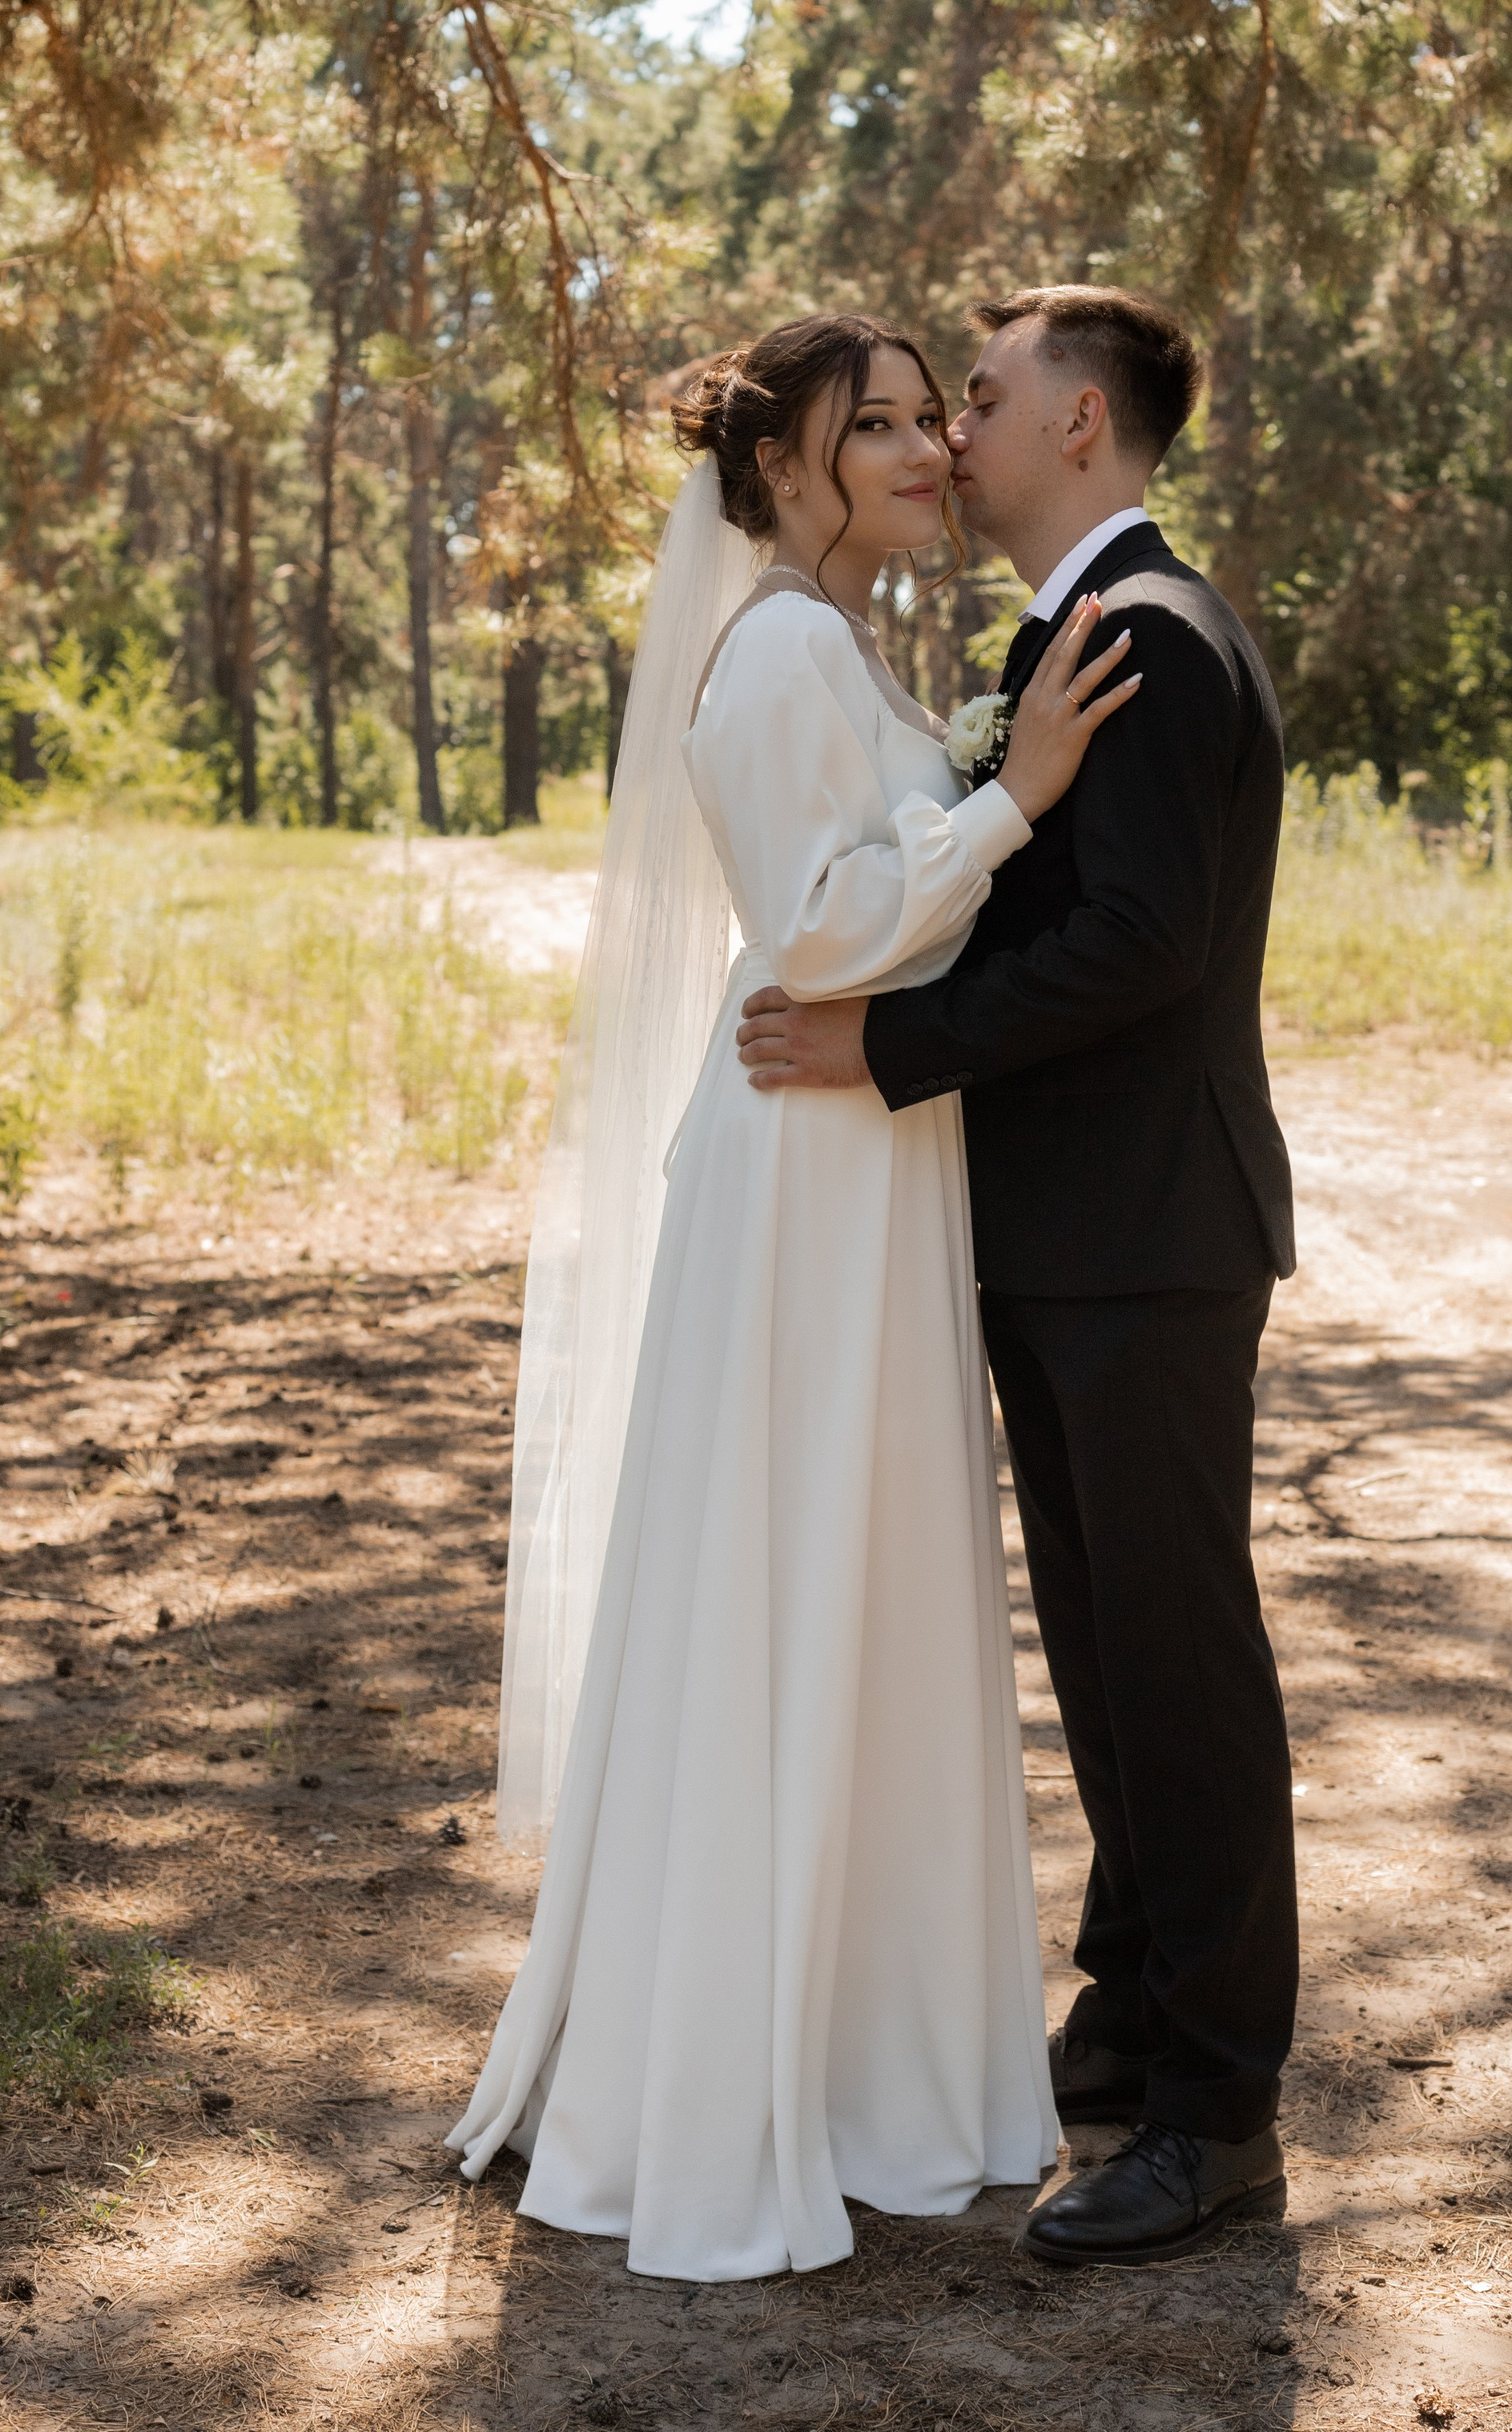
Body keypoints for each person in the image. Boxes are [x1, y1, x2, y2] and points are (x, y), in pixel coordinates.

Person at [447, 312, 1137, 2281]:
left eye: (936, 417)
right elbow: (821, 924)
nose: (929, 452)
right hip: (811, 1164)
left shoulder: (835, 643)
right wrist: (1015, 800)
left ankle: (865, 2046)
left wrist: (986, 800)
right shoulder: (773, 648)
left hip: (873, 1150)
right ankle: (753, 2066)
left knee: (867, 1571)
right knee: (794, 1564)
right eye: (884, 429)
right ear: (779, 472)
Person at [738, 285, 1300, 2269]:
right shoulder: (1065, 635)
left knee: (1178, 1659)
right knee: (1106, 1651)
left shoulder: (1143, 632)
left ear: (1082, 427)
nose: (950, 431)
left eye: (978, 398)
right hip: (1069, 1241)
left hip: (1146, 1239)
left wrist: (885, 1054)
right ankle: (1136, 2014)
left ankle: (1218, 2112)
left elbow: (1139, 942)